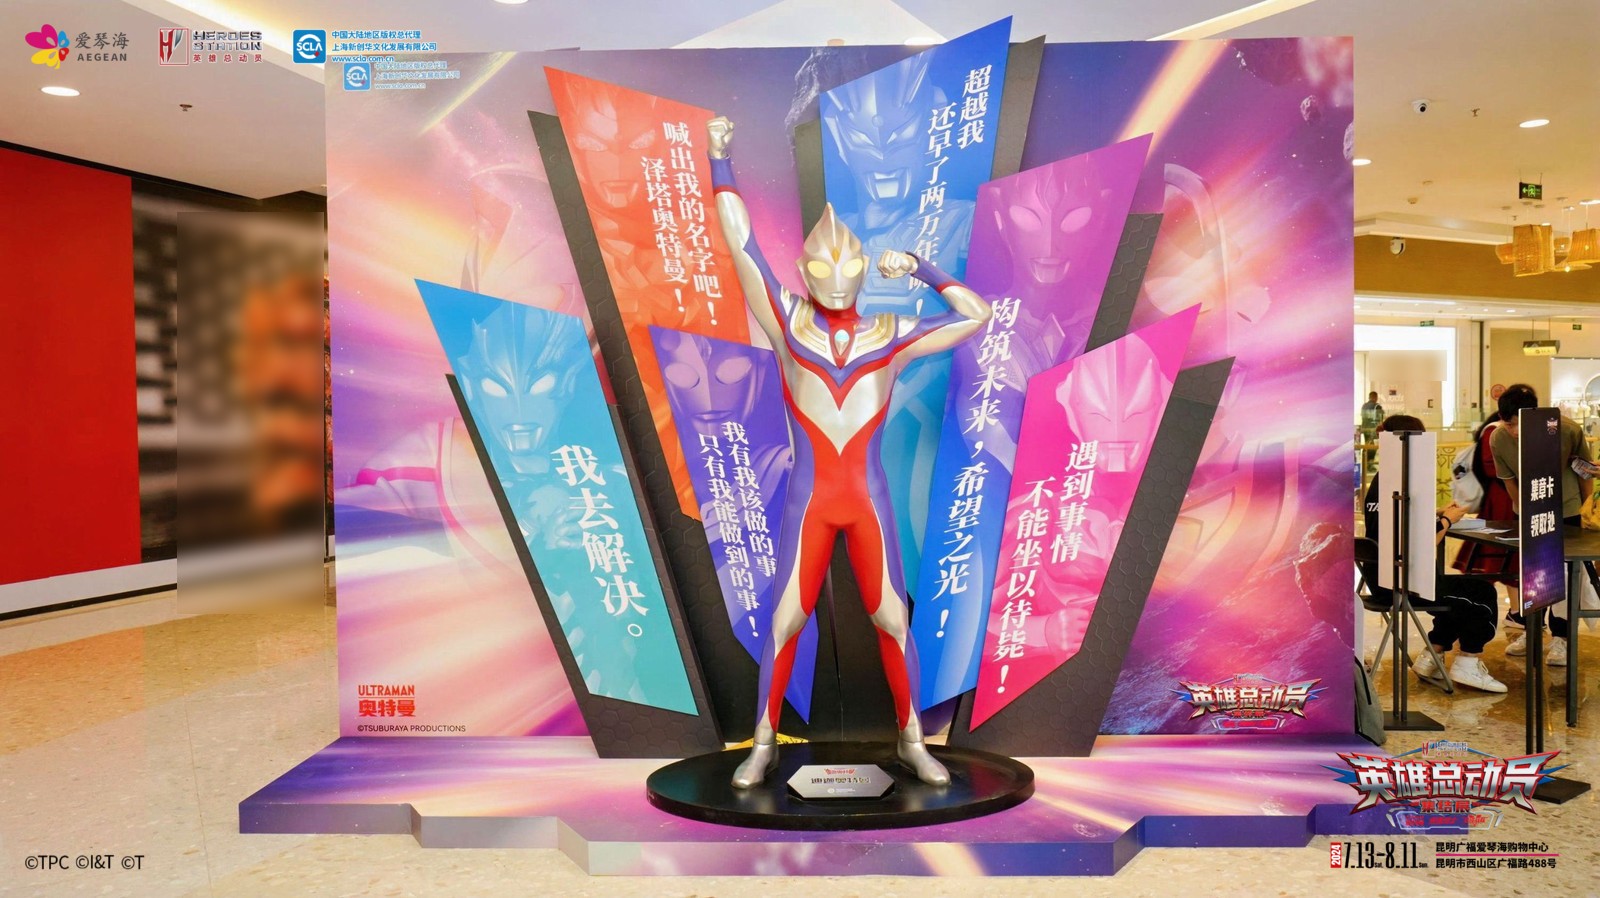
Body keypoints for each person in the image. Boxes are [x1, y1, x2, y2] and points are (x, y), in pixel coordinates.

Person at [708, 114, 992, 788]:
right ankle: (763, 743)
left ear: (862, 269)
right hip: (811, 501)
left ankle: (912, 741)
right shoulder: (786, 321)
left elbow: (976, 316)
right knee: (786, 621)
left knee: (892, 618)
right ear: (806, 270)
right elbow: (741, 243)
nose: (834, 278)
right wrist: (719, 157)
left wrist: (920, 267)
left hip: (866, 501)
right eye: (820, 267)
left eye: (846, 266)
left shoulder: (890, 332)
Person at [1363, 415, 1506, 692]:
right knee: (1481, 595)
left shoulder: (1383, 481)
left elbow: (1396, 527)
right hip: (1402, 584)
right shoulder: (1402, 481)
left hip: (1381, 580)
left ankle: (1433, 654)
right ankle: (1468, 661)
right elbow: (1417, 546)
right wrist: (1447, 521)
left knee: (1459, 595)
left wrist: (1435, 513)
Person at [1491, 384, 1594, 666]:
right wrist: (1524, 512)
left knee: (1564, 577)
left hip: (1567, 511)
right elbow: (1509, 481)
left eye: (1518, 424)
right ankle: (1533, 631)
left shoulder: (1567, 430)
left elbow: (1584, 472)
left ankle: (1562, 638)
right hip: (1529, 514)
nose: (1514, 431)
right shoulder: (1499, 438)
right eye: (1508, 423)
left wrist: (1586, 509)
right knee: (1532, 576)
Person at [1359, 391, 1385, 468]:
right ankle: (1369, 464)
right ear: (1375, 397)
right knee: (1373, 447)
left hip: (1365, 429)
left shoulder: (1364, 406)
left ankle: (1365, 464)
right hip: (1373, 429)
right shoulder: (1377, 406)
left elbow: (1363, 416)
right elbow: (1380, 419)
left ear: (1369, 397)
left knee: (1367, 445)